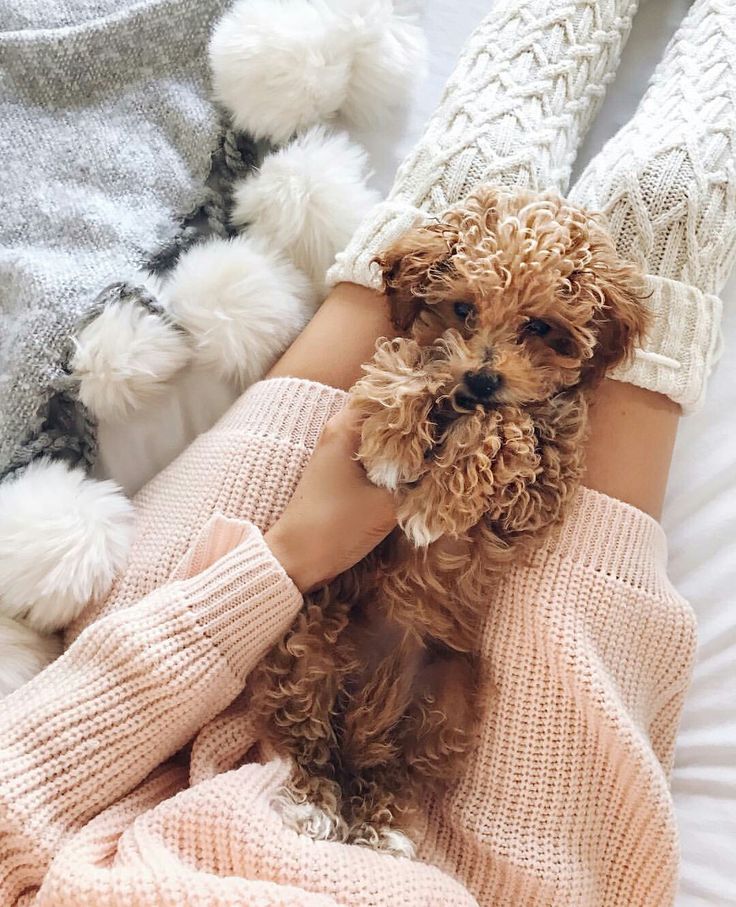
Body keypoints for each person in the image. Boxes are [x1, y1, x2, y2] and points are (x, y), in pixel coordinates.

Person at [0, 0, 733, 903]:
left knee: (456, 195)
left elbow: (16, 797)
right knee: (666, 208)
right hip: (495, 838)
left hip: (163, 726)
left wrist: (291, 555)